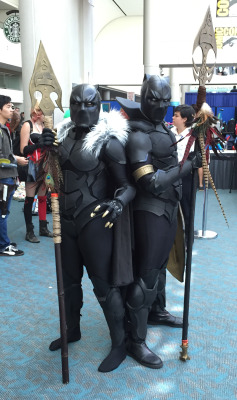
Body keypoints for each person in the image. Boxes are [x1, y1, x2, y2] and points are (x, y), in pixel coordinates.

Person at [46, 84, 136, 373]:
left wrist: (119, 202)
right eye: (76, 104)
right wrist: (42, 146)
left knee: (103, 286)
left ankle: (119, 344)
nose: (83, 109)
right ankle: (72, 329)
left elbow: (127, 185)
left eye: (89, 104)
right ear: (69, 106)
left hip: (95, 220)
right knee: (68, 282)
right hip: (66, 221)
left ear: (99, 106)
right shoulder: (61, 137)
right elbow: (48, 175)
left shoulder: (108, 142)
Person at [117, 75, 200, 369]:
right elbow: (150, 182)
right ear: (142, 97)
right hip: (150, 210)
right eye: (154, 99)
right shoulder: (139, 134)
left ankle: (156, 310)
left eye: (166, 101)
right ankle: (134, 341)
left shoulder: (159, 128)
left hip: (167, 208)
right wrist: (187, 167)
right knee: (147, 274)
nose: (161, 106)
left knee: (160, 269)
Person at [20, 104, 53, 243]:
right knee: (30, 197)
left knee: (43, 197)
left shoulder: (46, 126)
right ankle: (29, 231)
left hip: (45, 165)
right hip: (32, 165)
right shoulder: (27, 125)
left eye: (41, 112)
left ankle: (43, 227)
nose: (38, 114)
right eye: (37, 111)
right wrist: (39, 144)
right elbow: (23, 150)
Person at [0, 95, 27, 256]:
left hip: (6, 176)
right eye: (9, 106)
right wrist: (16, 160)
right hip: (3, 177)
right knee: (3, 212)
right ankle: (3, 245)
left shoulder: (5, 128)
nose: (12, 110)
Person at [171, 104, 195, 243]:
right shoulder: (169, 132)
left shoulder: (194, 136)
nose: (173, 118)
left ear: (185, 119)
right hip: (170, 176)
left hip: (186, 177)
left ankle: (188, 242)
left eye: (176, 116)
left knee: (187, 210)